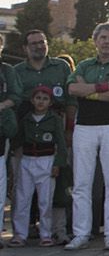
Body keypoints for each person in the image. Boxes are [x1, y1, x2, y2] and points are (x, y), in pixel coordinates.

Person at [64, 23, 109, 251]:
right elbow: (73, 89)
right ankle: (81, 233)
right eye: (102, 37)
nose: (106, 41)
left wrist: (89, 92)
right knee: (82, 182)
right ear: (95, 40)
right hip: (85, 127)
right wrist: (103, 87)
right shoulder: (84, 65)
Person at [4, 30, 75, 241]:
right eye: (33, 43)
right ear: (25, 48)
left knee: (59, 181)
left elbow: (71, 100)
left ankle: (57, 230)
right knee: (21, 185)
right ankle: (21, 231)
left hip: (56, 128)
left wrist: (69, 129)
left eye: (42, 42)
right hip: (25, 133)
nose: (38, 46)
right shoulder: (17, 71)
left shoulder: (60, 67)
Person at [12, 86, 67, 245]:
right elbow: (18, 139)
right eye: (38, 98)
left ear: (50, 102)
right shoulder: (27, 119)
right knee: (22, 198)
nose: (41, 101)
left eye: (45, 98)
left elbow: (61, 143)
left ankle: (46, 234)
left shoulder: (54, 119)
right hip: (27, 160)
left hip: (46, 159)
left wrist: (58, 163)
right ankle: (20, 234)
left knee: (45, 200)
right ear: (32, 100)